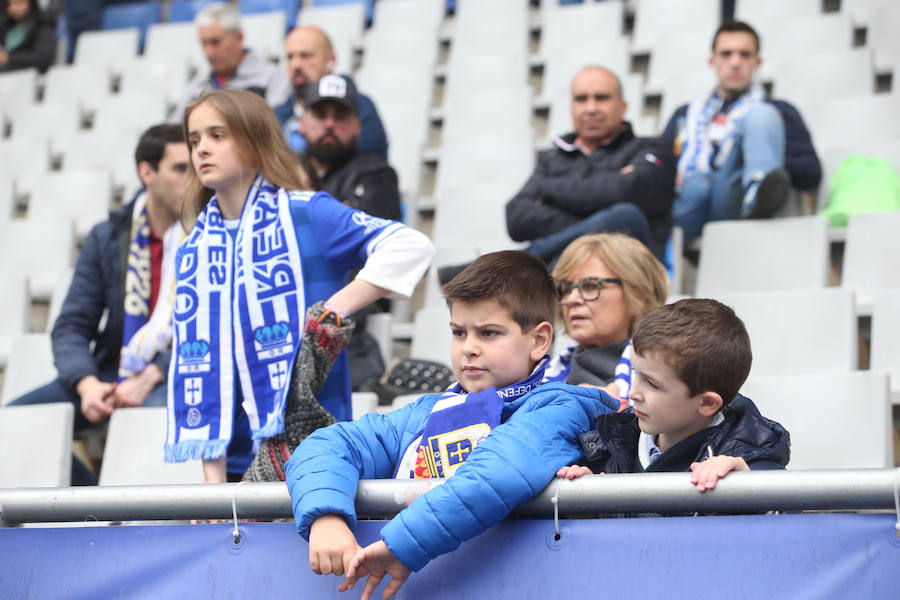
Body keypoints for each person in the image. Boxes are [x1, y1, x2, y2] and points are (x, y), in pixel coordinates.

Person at [285, 251, 620, 599]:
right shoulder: (423, 413)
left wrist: (402, 544)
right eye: (459, 332)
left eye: (489, 333)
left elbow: (497, 472)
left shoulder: (561, 406)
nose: (469, 349)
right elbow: (324, 446)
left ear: (538, 340)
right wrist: (325, 516)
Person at [166, 89, 433, 484]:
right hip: (232, 470)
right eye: (195, 139)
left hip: (316, 457)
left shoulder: (308, 212)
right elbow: (201, 365)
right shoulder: (194, 247)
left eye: (217, 136)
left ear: (255, 141)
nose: (202, 149)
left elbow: (411, 245)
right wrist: (213, 484)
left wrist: (333, 311)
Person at [7, 124, 189, 484]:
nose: (194, 178)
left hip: (179, 374)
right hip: (110, 374)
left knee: (145, 431)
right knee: (14, 426)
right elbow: (72, 324)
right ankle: (92, 505)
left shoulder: (210, 232)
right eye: (181, 169)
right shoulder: (109, 236)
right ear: (147, 173)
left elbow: (214, 328)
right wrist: (87, 381)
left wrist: (154, 373)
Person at [557, 298, 790, 493]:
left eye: (652, 384)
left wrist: (748, 489)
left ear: (707, 403)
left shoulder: (743, 459)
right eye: (636, 373)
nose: (633, 392)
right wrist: (587, 508)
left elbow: (786, 518)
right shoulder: (611, 440)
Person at [660, 20, 822, 242]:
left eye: (745, 55)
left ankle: (758, 189)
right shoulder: (685, 114)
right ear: (712, 61)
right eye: (726, 54)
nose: (735, 63)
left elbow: (811, 174)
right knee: (696, 185)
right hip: (690, 203)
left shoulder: (779, 112)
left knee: (760, 116)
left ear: (758, 62)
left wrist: (760, 150)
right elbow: (659, 166)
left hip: (735, 201)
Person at [505, 66, 675, 264]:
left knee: (624, 217)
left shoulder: (653, 148)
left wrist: (547, 188)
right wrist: (595, 220)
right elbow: (516, 218)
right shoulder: (552, 158)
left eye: (601, 98)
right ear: (571, 107)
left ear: (623, 107)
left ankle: (519, 263)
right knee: (612, 221)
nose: (591, 108)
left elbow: (630, 190)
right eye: (581, 99)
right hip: (559, 269)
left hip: (626, 271)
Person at [543, 233, 669, 403]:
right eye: (564, 289)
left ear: (639, 293)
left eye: (590, 286)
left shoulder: (669, 378)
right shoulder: (539, 379)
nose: (571, 299)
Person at [274, 26, 388, 160]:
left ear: (331, 60)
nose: (296, 64)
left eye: (306, 56)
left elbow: (365, 167)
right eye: (290, 57)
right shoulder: (278, 115)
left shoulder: (360, 107)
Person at [302, 73, 400, 221]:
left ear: (357, 126)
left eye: (339, 116)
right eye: (320, 115)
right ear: (302, 123)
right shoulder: (284, 171)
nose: (329, 124)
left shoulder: (377, 175)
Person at [174, 3, 290, 119]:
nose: (209, 52)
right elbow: (173, 130)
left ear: (239, 37)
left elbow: (273, 127)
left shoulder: (270, 78)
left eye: (216, 42)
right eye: (203, 43)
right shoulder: (196, 87)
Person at [0, 0, 55, 73]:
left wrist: (9, 58)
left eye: (19, 3)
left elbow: (43, 57)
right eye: (10, 4)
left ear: (31, 3)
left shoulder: (42, 25)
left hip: (27, 73)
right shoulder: (6, 25)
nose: (14, 8)